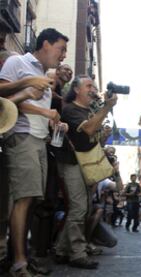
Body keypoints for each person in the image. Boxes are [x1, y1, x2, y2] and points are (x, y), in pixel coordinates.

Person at [0, 28, 68, 277]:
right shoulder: (18, 61)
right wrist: (29, 84)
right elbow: (3, 93)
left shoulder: (44, 74)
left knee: (31, 201)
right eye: (61, 48)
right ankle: (19, 263)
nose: (63, 55)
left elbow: (34, 104)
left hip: (39, 140)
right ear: (46, 44)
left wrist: (53, 122)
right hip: (21, 135)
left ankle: (21, 257)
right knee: (23, 199)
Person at [54, 74, 117, 269]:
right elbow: (89, 130)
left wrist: (104, 135)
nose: (93, 89)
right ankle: (77, 254)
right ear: (77, 90)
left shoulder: (89, 110)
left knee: (84, 208)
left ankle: (60, 249)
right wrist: (107, 107)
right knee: (79, 208)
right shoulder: (71, 110)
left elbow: (93, 140)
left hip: (84, 163)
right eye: (88, 85)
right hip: (71, 162)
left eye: (93, 86)